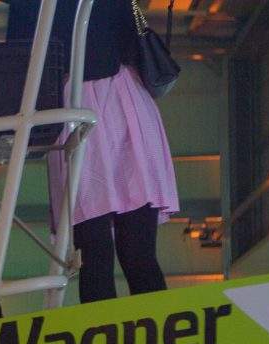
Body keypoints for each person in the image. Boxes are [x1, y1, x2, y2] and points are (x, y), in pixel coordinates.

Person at [43, 0, 179, 303]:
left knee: (112, 256)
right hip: (106, 101)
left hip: (92, 101)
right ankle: (154, 330)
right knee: (115, 256)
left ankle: (118, 332)